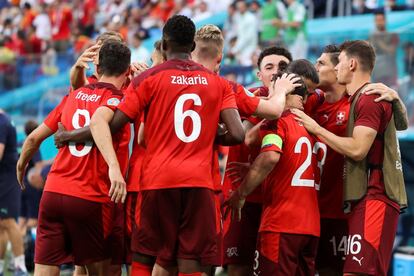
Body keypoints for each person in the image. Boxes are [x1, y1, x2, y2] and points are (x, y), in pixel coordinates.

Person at [90, 15, 245, 276]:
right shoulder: (218, 83)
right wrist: (210, 135)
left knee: (145, 255)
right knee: (190, 260)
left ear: (163, 44)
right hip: (199, 182)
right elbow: (238, 134)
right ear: (192, 47)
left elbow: (115, 124)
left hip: (157, 181)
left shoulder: (146, 79)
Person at [293, 40, 408, 276]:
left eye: (339, 63)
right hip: (348, 203)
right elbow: (401, 123)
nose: (335, 68)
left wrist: (316, 129)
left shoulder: (368, 98)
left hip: (374, 196)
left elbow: (357, 149)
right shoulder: (358, 97)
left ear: (352, 63)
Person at [16, 40, 132, 276]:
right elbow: (99, 121)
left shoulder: (72, 95)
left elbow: (32, 139)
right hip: (89, 197)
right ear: (127, 71)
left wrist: (21, 166)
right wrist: (113, 166)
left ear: (97, 69)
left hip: (53, 193)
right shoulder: (117, 98)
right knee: (97, 271)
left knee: (44, 270)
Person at [225, 75, 320, 275]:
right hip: (311, 227)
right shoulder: (312, 128)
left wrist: (240, 194)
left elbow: (270, 157)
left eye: (277, 91)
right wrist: (252, 167)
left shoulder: (276, 122)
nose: (272, 96)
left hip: (281, 224)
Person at [0, 109, 28, 276]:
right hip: (5, 177)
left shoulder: (1, 122)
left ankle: (20, 267)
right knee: (1, 224)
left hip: (8, 179)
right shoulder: (4, 120)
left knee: (9, 222)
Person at [369, 10, 399, 88]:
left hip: (390, 74)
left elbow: (392, 51)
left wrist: (379, 41)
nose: (379, 22)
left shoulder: (392, 35)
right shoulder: (371, 37)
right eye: (377, 20)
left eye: (381, 20)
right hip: (376, 75)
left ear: (385, 21)